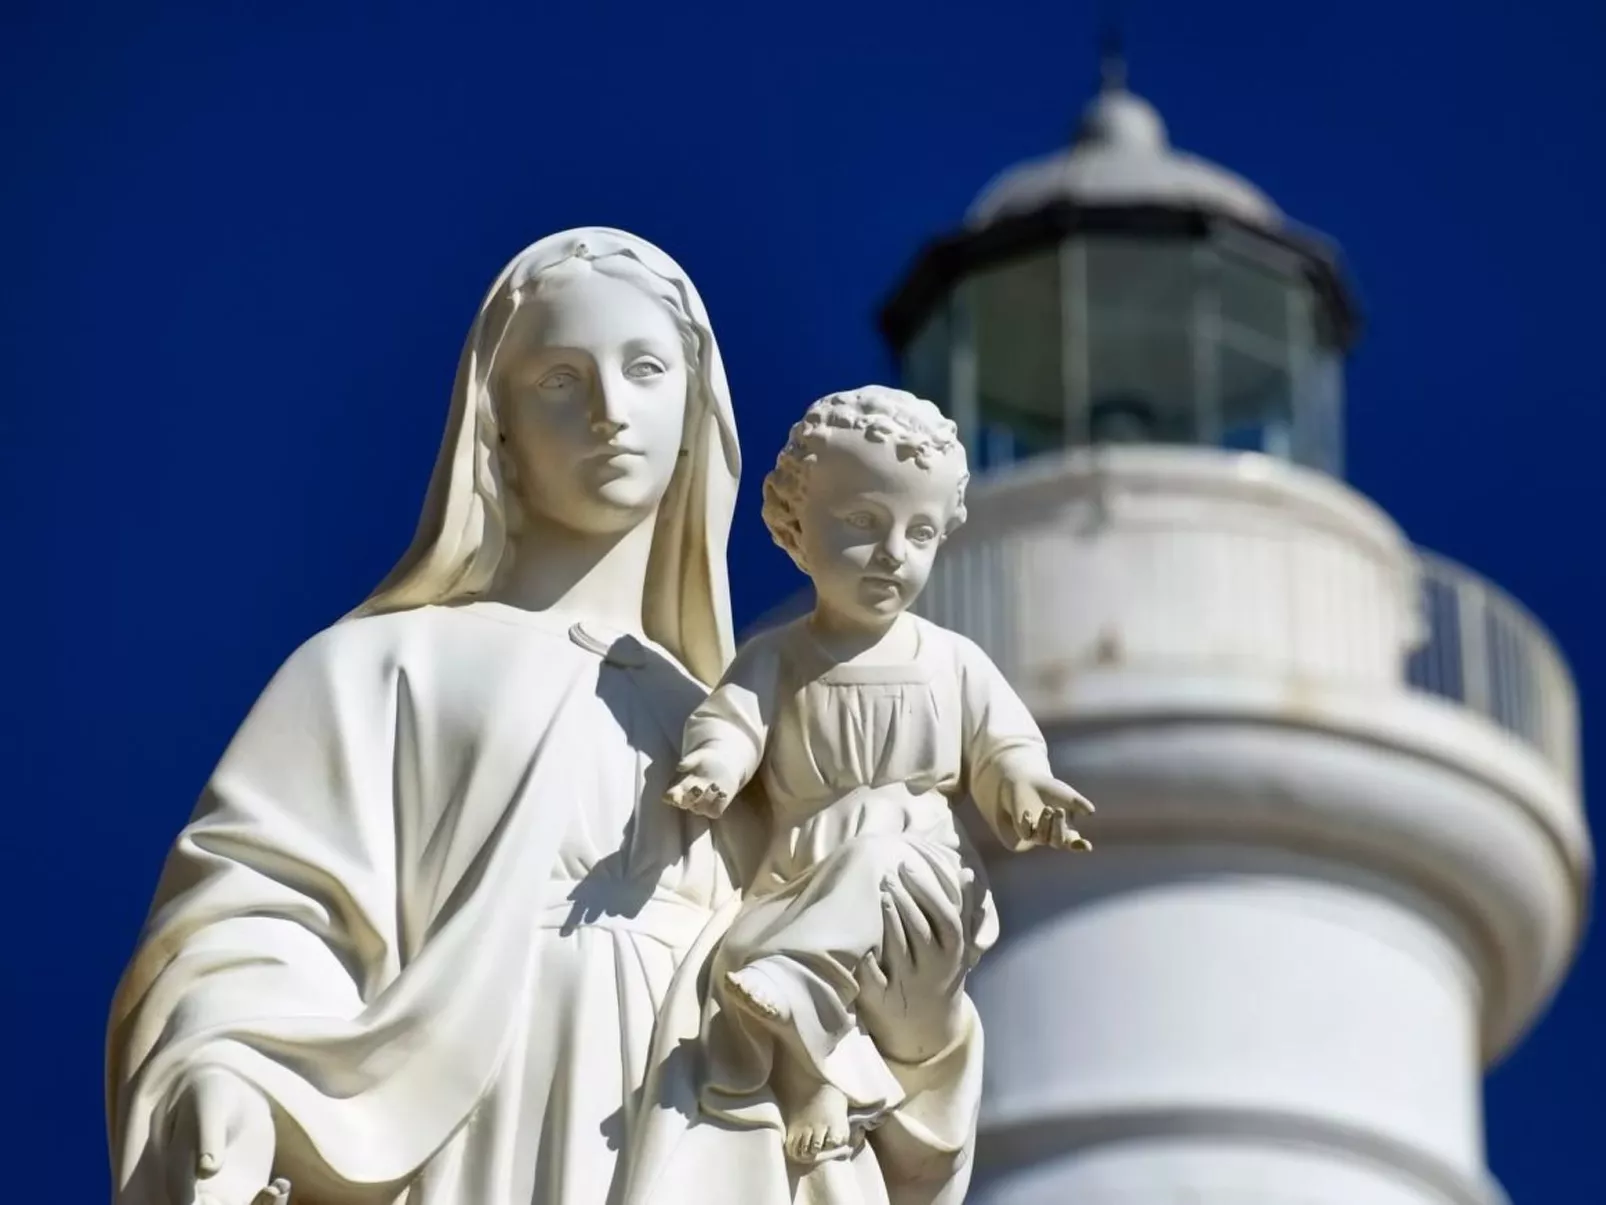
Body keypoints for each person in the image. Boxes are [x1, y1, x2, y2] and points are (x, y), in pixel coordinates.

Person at [106, 228, 762, 1205]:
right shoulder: (378, 666)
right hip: (464, 1122)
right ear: (494, 425)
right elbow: (252, 910)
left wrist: (920, 1030)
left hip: (704, 1129)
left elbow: (823, 978)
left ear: (695, 408)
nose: (609, 411)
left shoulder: (758, 728)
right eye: (558, 379)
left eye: (645, 368)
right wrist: (231, 1065)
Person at [665, 387, 1093, 1198]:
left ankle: (801, 1004)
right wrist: (715, 769)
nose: (894, 550)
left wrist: (1029, 794)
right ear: (795, 525)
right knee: (809, 910)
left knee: (860, 856)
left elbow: (1003, 745)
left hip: (921, 872)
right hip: (805, 870)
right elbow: (733, 723)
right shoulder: (777, 656)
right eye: (862, 522)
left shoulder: (953, 658)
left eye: (921, 532)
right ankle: (831, 1075)